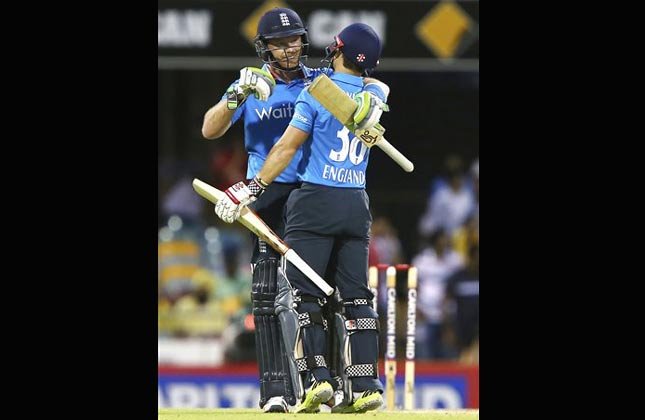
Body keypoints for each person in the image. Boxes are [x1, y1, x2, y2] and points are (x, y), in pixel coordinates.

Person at [200, 8, 389, 414]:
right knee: (268, 295)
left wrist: (375, 95)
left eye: (295, 41)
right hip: (266, 198)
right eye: (279, 43)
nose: (289, 49)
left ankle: (334, 384)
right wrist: (238, 94)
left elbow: (369, 79)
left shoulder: (317, 84)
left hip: (308, 194)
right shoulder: (251, 83)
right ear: (264, 47)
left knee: (327, 295)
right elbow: (210, 128)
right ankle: (276, 392)